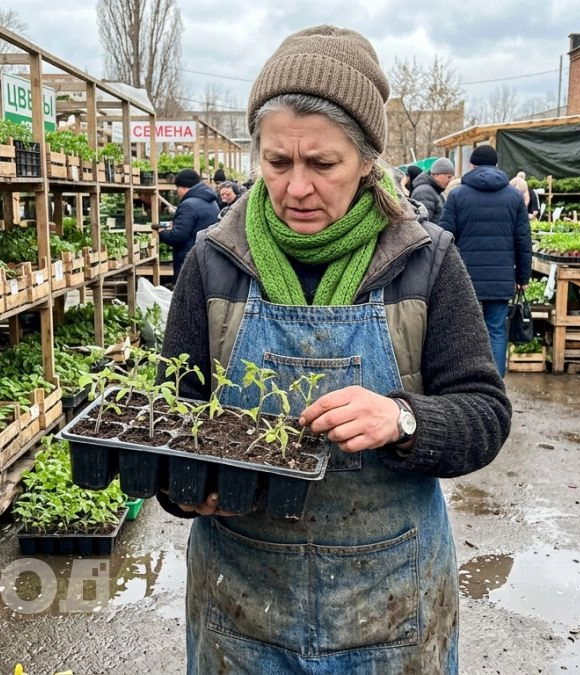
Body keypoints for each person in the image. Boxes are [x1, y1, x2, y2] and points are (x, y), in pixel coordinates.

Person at [157, 25, 512, 674]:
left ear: (367, 159)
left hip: (391, 611)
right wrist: (184, 490)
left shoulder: (424, 263)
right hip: (241, 612)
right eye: (276, 162)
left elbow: (486, 414)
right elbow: (174, 415)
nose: (295, 188)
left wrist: (403, 419)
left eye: (322, 164)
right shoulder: (214, 264)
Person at [438, 144, 531, 376]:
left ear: (472, 165)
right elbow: (523, 240)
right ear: (497, 165)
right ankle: (495, 382)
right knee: (496, 329)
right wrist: (522, 277)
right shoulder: (514, 197)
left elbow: (445, 237)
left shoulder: (457, 195)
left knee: (463, 328)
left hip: (464, 276)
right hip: (500, 277)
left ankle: (465, 377)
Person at [156, 168, 220, 277]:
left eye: (178, 188)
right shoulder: (212, 201)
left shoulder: (188, 205)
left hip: (189, 261)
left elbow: (178, 236)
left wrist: (161, 233)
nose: (177, 191)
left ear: (184, 187)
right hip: (207, 258)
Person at [409, 157, 453, 223]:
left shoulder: (434, 191)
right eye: (448, 177)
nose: (450, 180)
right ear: (437, 175)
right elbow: (424, 224)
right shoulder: (424, 192)